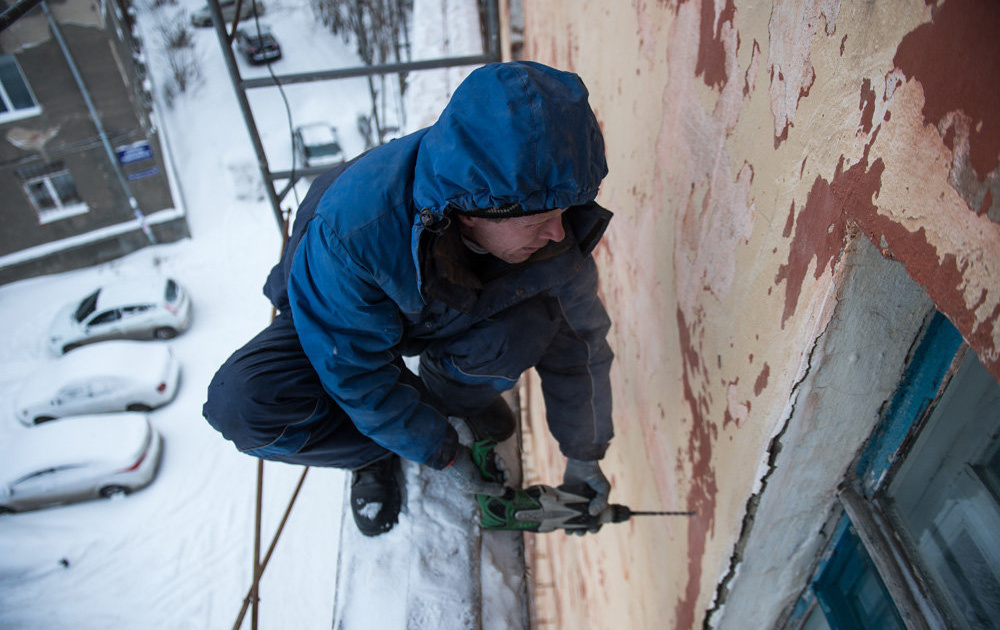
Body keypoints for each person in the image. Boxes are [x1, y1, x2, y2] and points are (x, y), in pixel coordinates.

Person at [203, 61, 615, 537]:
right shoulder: (354, 233)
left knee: (527, 327)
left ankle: (450, 402)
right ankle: (376, 452)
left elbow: (581, 342)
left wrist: (584, 455)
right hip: (334, 311)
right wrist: (442, 452)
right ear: (470, 211)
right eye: (540, 218)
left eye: (565, 209)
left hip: (438, 310)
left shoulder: (541, 221)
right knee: (245, 402)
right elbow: (354, 370)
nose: (558, 231)